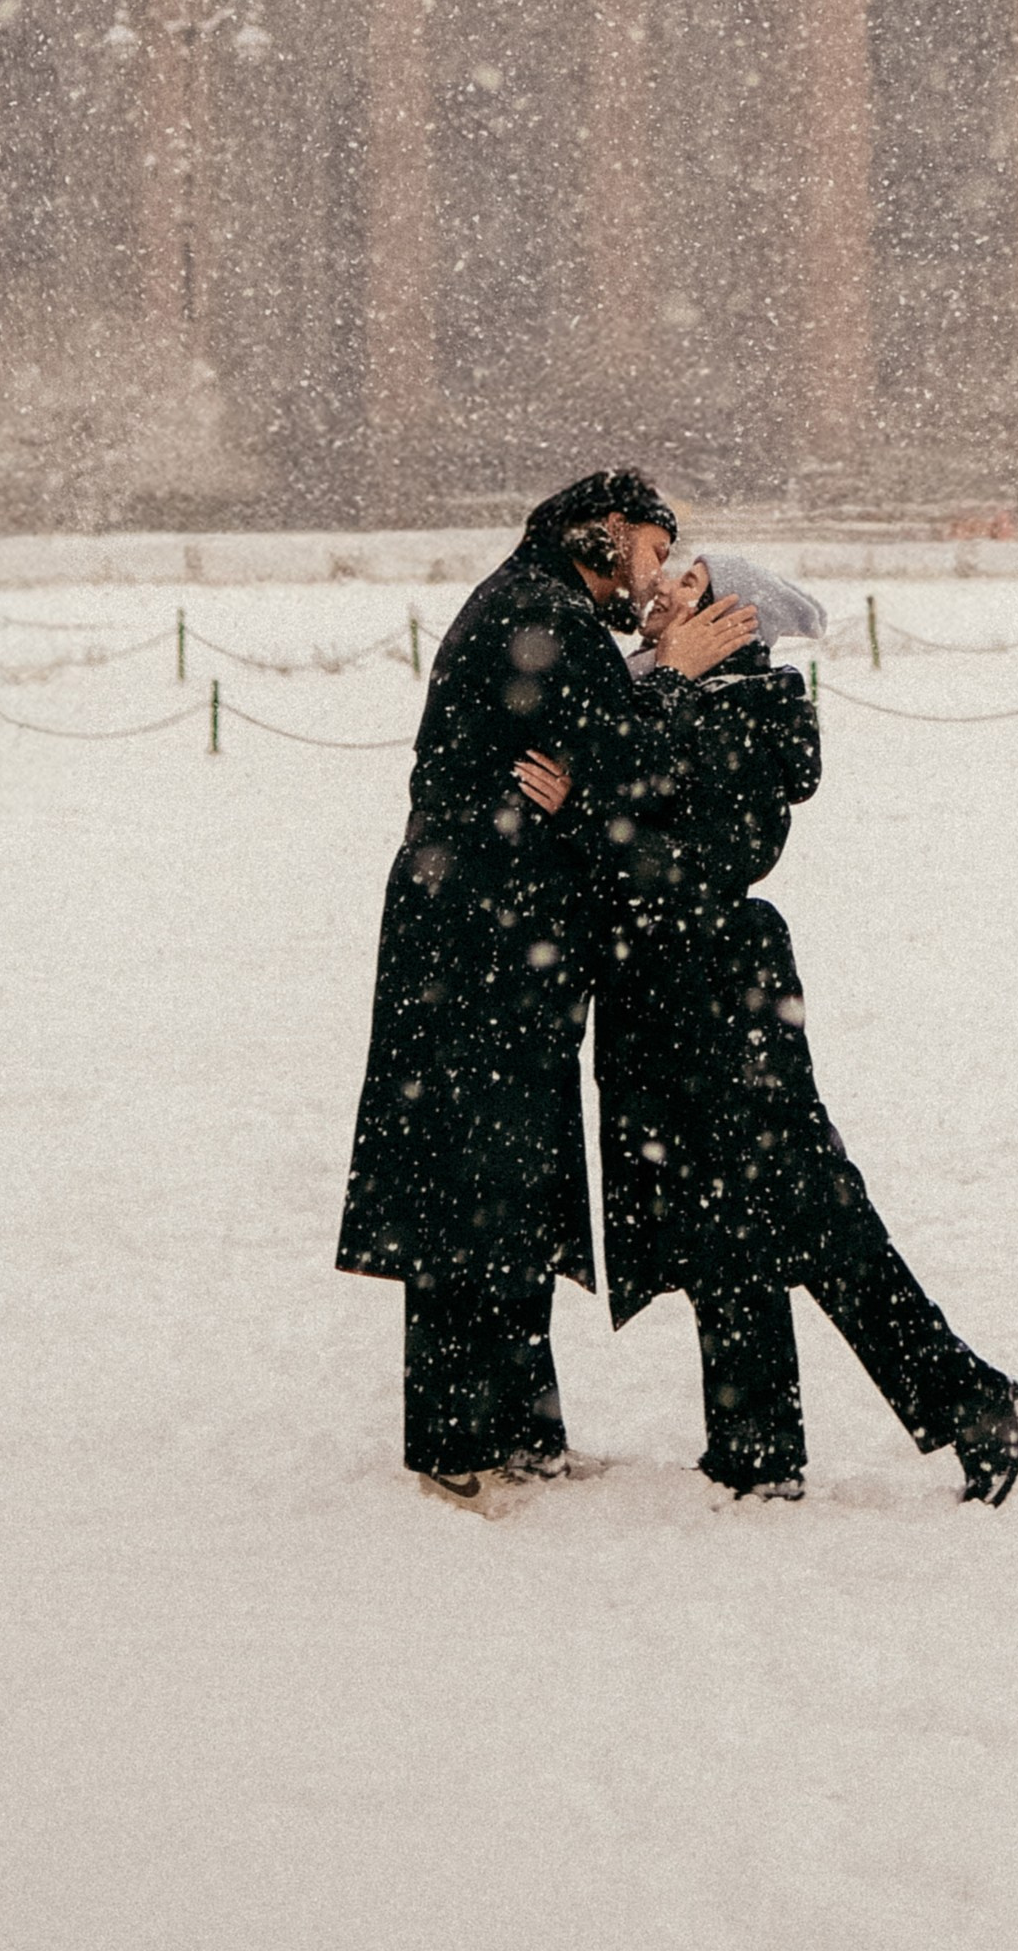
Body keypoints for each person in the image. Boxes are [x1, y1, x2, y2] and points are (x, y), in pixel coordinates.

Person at [334, 467, 755, 1510]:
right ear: (605, 533)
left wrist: (627, 710)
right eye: (653, 551)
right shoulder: (539, 611)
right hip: (474, 944)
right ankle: (454, 1444)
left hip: (495, 943)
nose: (651, 578)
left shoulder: (547, 607)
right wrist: (675, 669)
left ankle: (522, 1435)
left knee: (510, 1183)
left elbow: (601, 759)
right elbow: (626, 752)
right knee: (470, 1185)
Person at [586, 548, 1018, 1506]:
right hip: (664, 992)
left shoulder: (747, 707)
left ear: (737, 618)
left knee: (807, 1208)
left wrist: (592, 801)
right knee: (720, 1219)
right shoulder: (656, 690)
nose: (664, 586)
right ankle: (757, 1447)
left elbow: (702, 859)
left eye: (693, 582)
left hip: (721, 992)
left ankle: (961, 1392)